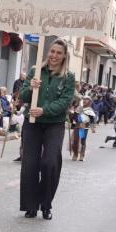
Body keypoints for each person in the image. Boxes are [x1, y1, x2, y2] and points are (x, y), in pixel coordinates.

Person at [19, 39, 75, 220]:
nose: (54, 56)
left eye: (59, 53)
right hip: (32, 122)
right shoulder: (35, 71)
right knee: (30, 164)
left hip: (54, 123)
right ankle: (30, 205)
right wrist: (31, 88)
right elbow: (23, 96)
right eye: (52, 51)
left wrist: (45, 110)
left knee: (50, 162)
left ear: (64, 56)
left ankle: (45, 204)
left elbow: (65, 102)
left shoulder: (68, 77)